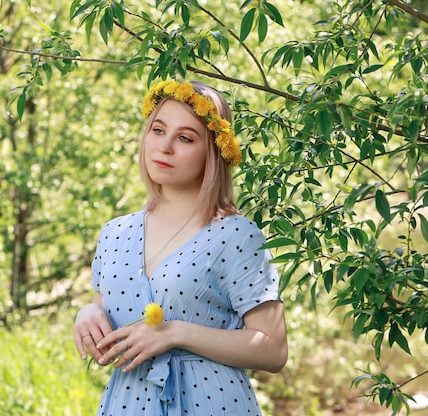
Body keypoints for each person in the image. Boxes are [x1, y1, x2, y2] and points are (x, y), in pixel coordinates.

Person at [74, 79, 288, 415]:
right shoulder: (114, 233)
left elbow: (273, 350)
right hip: (127, 404)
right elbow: (110, 325)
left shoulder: (236, 235)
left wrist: (176, 332)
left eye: (185, 138)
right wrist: (88, 313)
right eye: (158, 130)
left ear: (213, 152)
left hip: (212, 403)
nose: (165, 146)